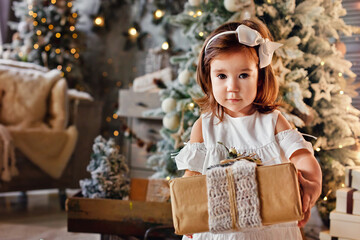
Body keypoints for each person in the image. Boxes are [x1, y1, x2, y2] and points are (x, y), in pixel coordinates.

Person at [175, 19, 322, 240]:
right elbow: (192, 175)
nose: (232, 86)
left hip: (269, 227)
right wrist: (188, 213)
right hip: (219, 227)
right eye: (221, 76)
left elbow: (301, 156)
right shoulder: (205, 126)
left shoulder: (272, 121)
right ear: (209, 77)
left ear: (260, 79)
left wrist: (312, 184)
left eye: (243, 75)